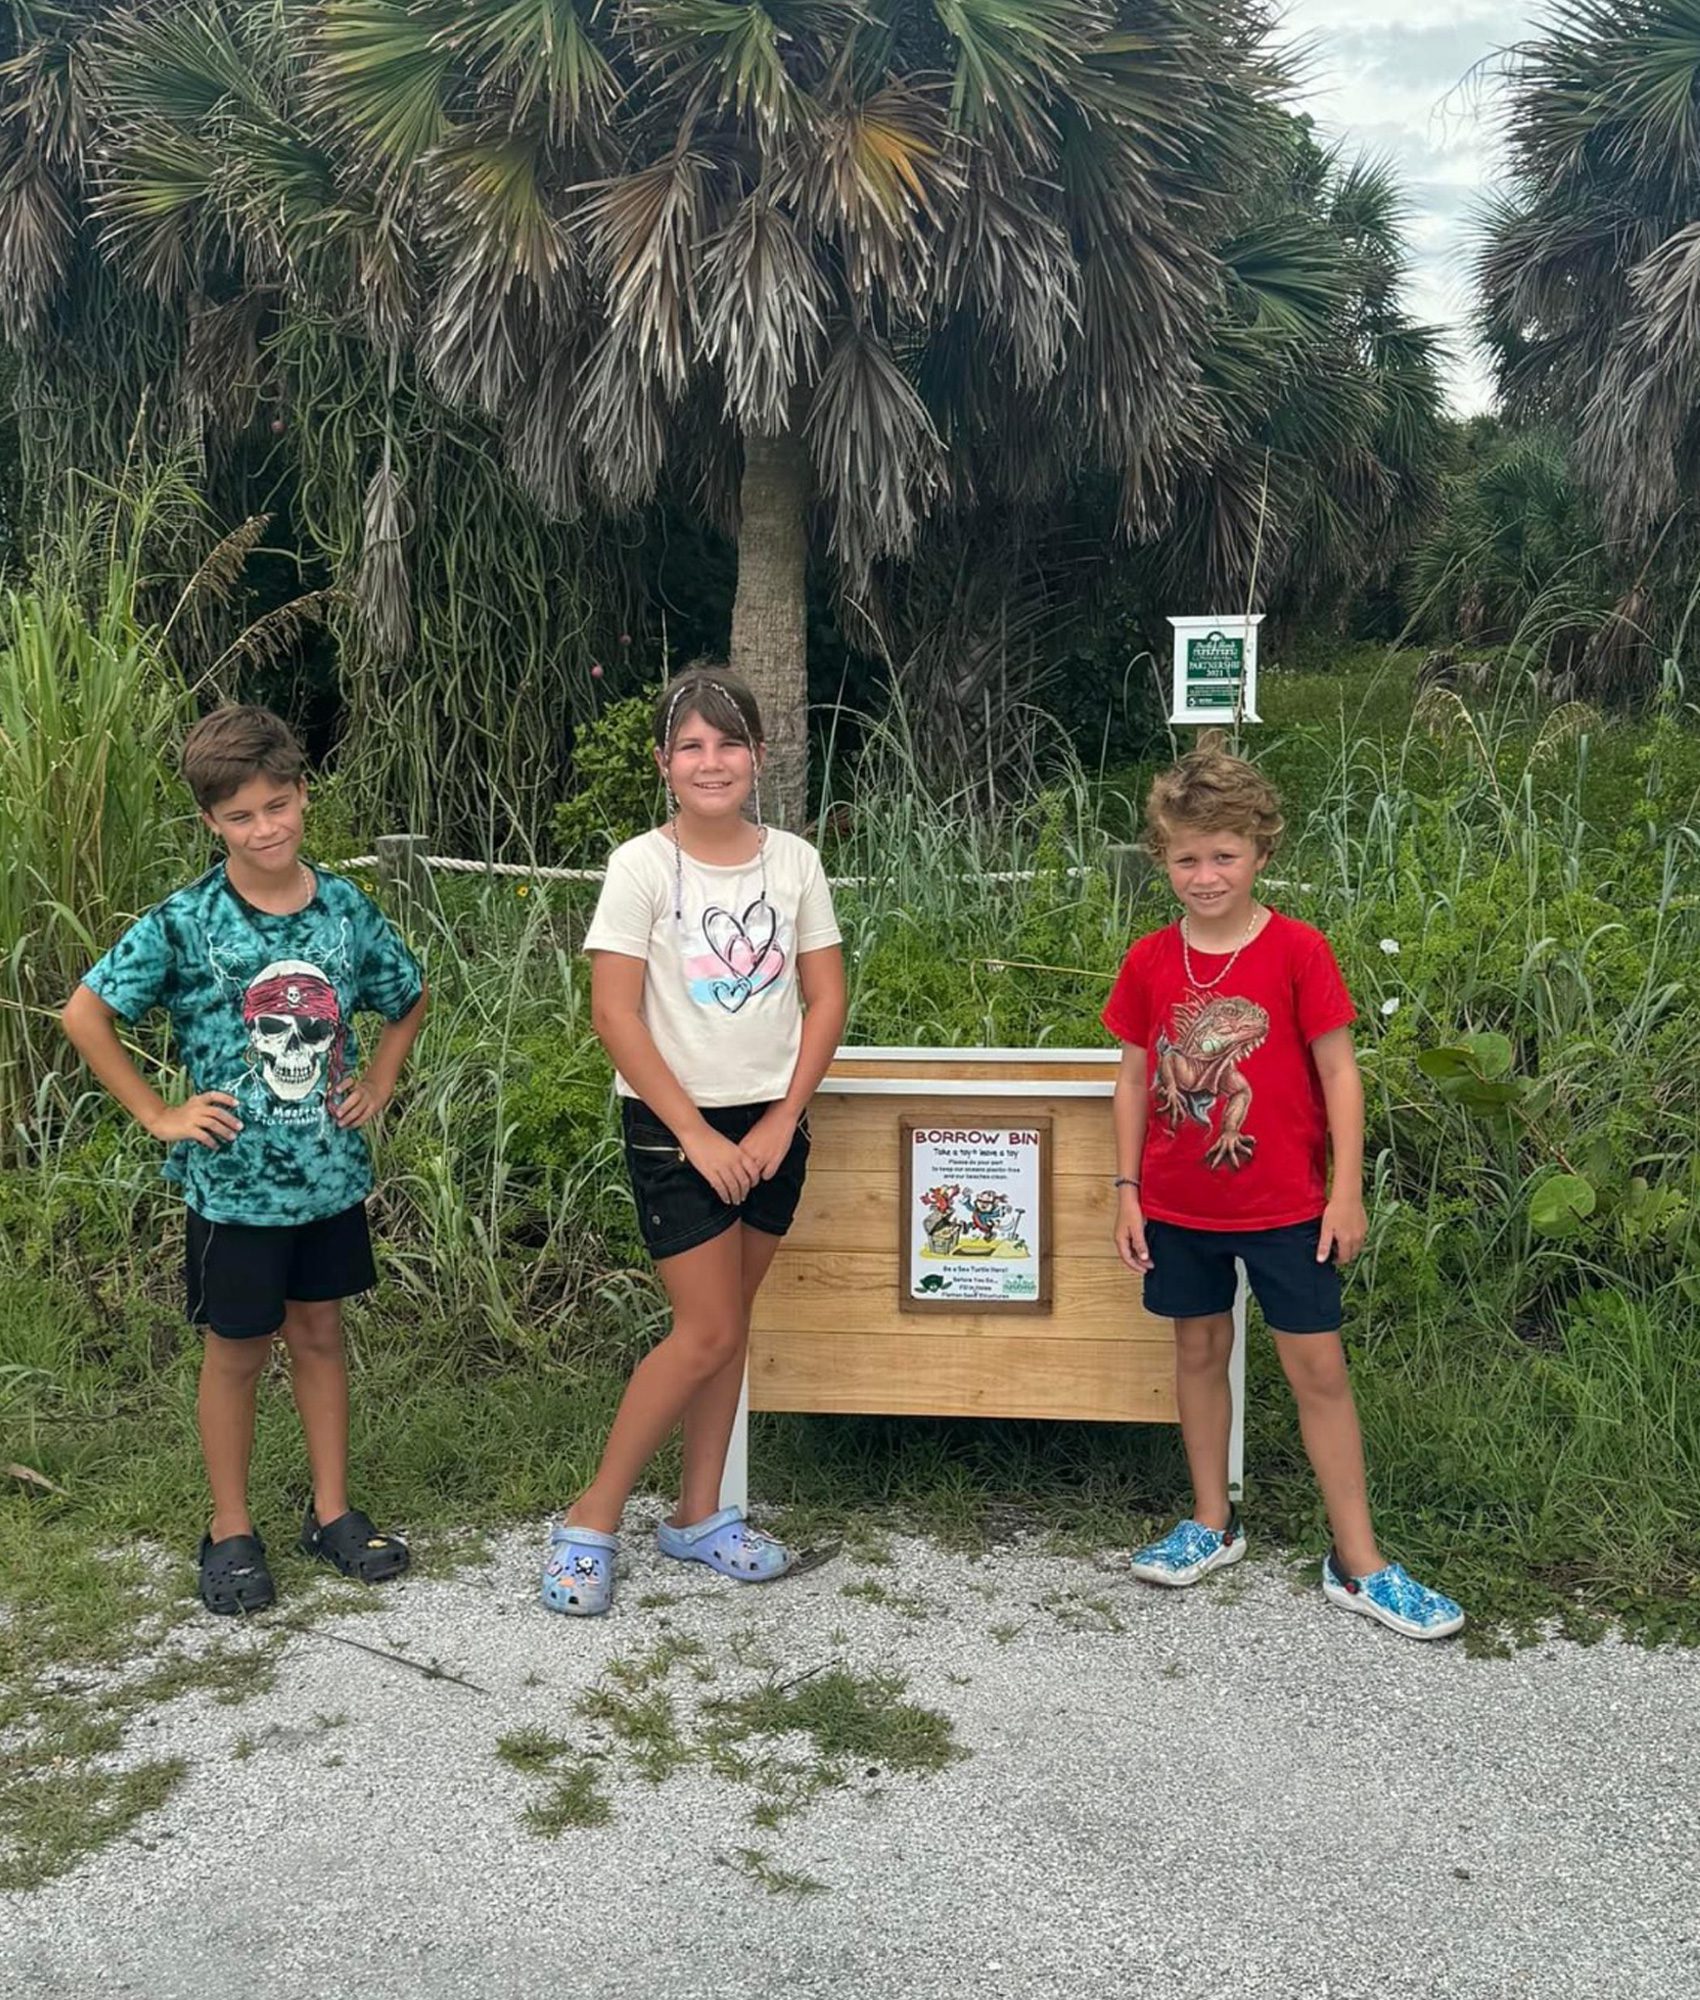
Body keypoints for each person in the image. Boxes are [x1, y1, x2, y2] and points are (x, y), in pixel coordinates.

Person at [60, 706, 427, 1616]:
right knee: (235, 1352)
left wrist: (379, 1078)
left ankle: (331, 1513)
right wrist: (158, 1112)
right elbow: (84, 1013)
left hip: (329, 1177)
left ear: (304, 794)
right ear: (210, 824)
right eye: (240, 816)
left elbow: (407, 995)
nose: (265, 829)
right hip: (233, 1192)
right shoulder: (186, 923)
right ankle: (230, 1529)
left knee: (320, 1337)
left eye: (278, 805)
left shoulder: (344, 908)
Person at [1103, 744, 1464, 1640]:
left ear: (1261, 851)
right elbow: (1134, 1079)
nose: (1205, 873)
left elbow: (1341, 1073)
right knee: (1196, 1354)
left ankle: (1358, 1559)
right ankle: (1209, 1522)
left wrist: (1347, 1191)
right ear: (1162, 859)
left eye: (1223, 854)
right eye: (1186, 856)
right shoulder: (1151, 961)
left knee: (1318, 1372)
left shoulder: (1299, 950)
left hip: (1290, 1207)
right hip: (1180, 1205)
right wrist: (1125, 1190)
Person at [542, 666, 846, 1616]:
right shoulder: (642, 865)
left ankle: (702, 1514)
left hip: (773, 1120)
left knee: (731, 1331)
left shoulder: (792, 861)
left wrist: (782, 1117)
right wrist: (696, 1135)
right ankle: (590, 1520)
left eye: (729, 743)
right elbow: (614, 1012)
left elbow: (826, 996)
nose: (711, 762)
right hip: (678, 1129)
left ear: (760, 754)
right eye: (691, 746)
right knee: (704, 1329)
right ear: (665, 764)